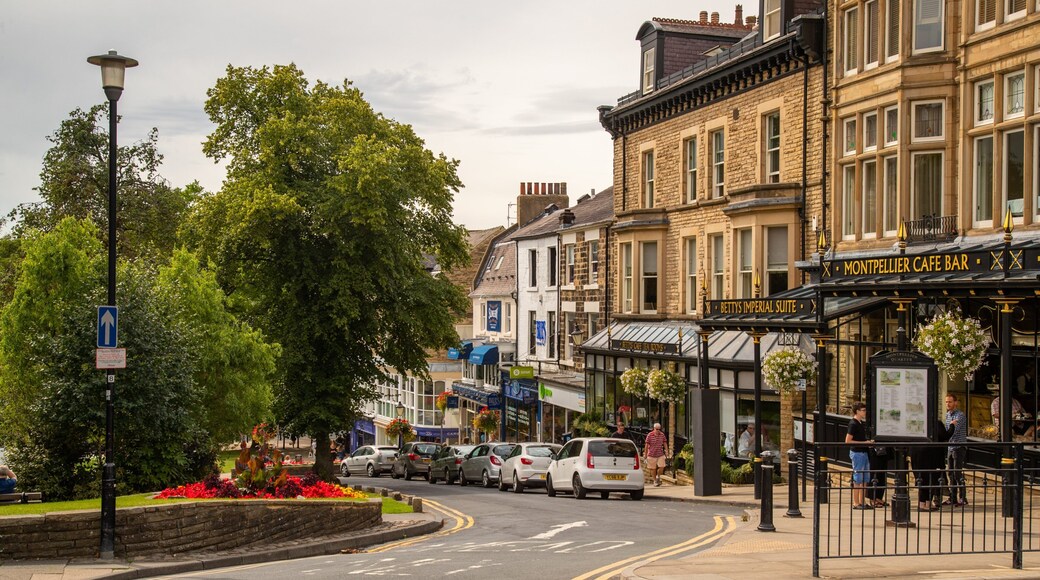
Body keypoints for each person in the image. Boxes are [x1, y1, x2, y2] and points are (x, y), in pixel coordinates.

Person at [912, 419, 951, 511]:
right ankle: (923, 504)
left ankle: (926, 503)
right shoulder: (935, 423)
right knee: (929, 479)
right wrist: (952, 426)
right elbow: (944, 435)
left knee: (924, 479)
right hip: (930, 455)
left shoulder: (918, 422)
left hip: (918, 454)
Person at [845, 402, 874, 510]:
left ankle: (862, 502)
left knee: (865, 478)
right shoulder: (853, 424)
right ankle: (856, 503)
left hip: (864, 452)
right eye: (863, 410)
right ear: (857, 411)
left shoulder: (860, 423)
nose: (865, 412)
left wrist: (867, 442)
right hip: (857, 453)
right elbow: (848, 441)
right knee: (858, 479)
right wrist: (864, 443)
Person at [943, 394, 968, 507]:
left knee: (957, 473)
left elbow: (954, 431)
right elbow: (947, 430)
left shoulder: (960, 415)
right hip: (950, 446)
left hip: (958, 447)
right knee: (950, 473)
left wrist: (948, 431)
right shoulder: (948, 415)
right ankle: (952, 497)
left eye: (950, 402)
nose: (948, 404)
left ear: (956, 403)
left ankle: (963, 497)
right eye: (946, 402)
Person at [644, 422, 669, 487]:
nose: (658, 430)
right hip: (651, 454)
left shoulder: (662, 435)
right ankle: (655, 481)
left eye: (659, 429)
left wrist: (667, 451)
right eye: (657, 429)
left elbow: (665, 443)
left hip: (660, 454)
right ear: (654, 428)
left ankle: (658, 476)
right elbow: (646, 445)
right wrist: (645, 454)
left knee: (662, 466)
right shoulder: (649, 435)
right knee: (653, 468)